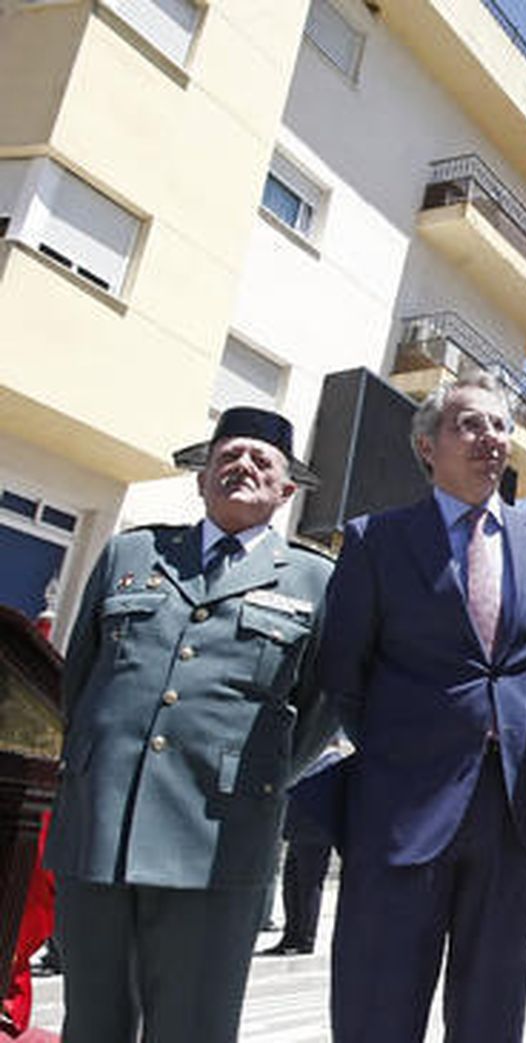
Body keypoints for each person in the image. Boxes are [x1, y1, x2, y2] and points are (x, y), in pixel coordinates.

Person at [47, 406, 335, 1043]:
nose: (243, 467)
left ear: (286, 491)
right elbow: (83, 678)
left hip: (219, 837)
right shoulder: (133, 550)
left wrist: (254, 778)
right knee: (92, 1024)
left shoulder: (317, 582)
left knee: (193, 1028)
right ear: (201, 478)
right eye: (228, 456)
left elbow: (318, 709)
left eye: (262, 461)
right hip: (102, 830)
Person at [319, 374, 526, 1043]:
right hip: (402, 810)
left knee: (493, 1013)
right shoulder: (376, 540)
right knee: (378, 1008)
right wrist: (397, 752)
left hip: (513, 815)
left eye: (499, 425)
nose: (490, 437)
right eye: (470, 424)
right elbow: (343, 670)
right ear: (427, 446)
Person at [259, 735, 350, 956]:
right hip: (297, 830)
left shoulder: (333, 763)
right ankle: (290, 936)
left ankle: (305, 939)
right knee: (291, 884)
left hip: (317, 833)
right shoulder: (307, 762)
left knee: (308, 886)